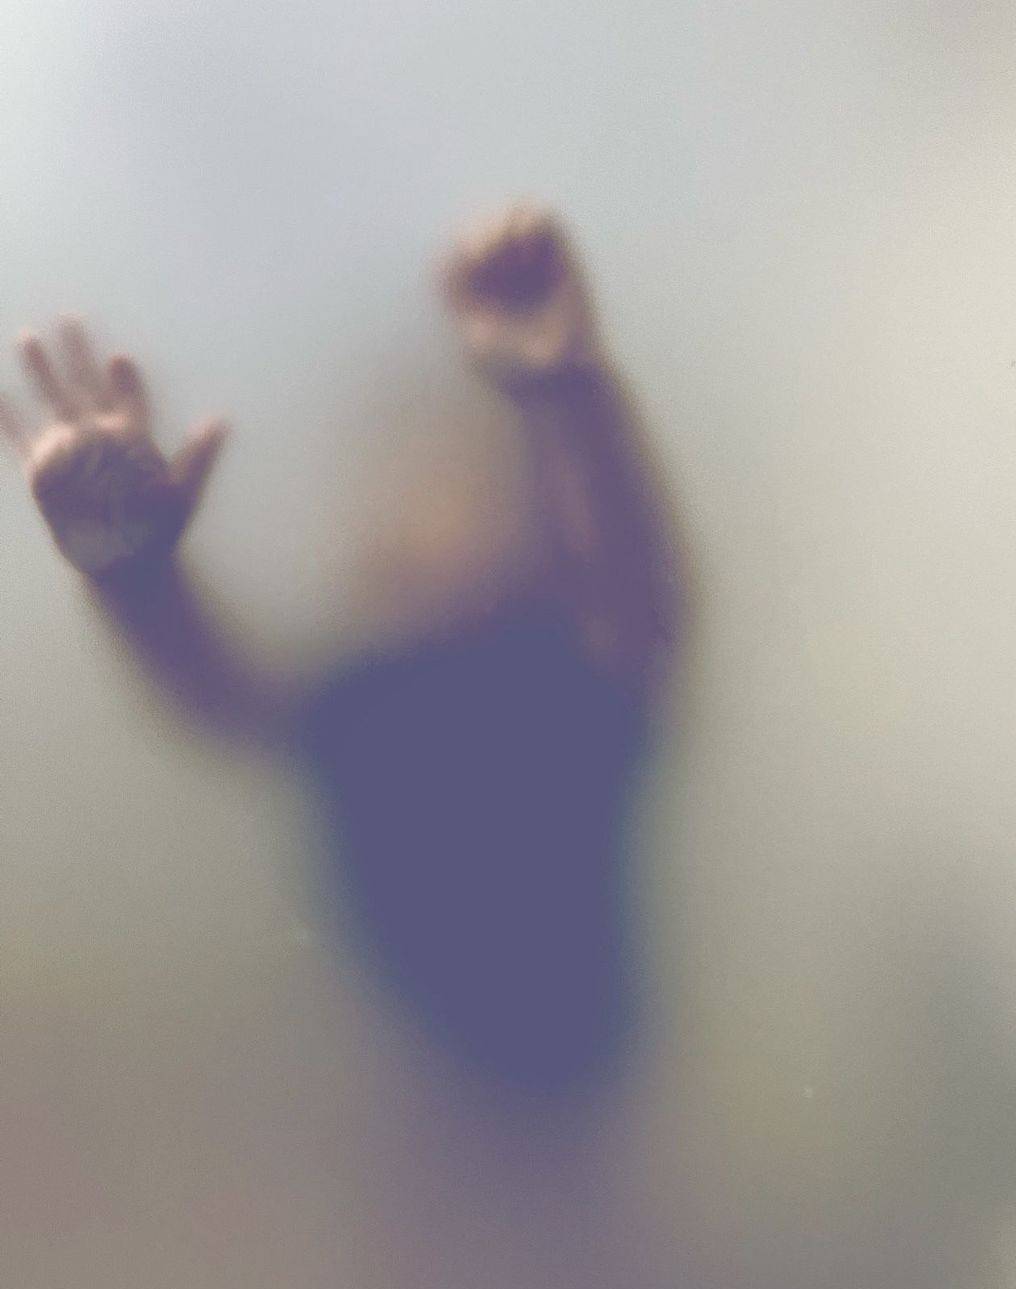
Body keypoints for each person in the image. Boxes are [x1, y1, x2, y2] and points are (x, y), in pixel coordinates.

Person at [0, 204, 688, 1098]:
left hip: (582, 1048)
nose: (418, 513)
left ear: (519, 509)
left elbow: (635, 595)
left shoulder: (559, 669)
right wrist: (131, 574)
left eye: (453, 485)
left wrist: (568, 398)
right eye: (400, 490)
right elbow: (223, 695)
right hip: (428, 1076)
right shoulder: (365, 696)